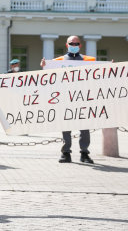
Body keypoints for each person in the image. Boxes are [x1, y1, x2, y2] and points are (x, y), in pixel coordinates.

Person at [41, 35, 96, 164]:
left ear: (80, 46)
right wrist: (44, 66)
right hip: (65, 98)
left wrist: (111, 68)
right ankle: (66, 152)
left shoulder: (89, 60)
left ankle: (84, 153)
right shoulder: (57, 61)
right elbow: (49, 77)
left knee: (84, 126)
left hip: (83, 98)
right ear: (67, 45)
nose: (74, 46)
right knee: (66, 126)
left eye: (77, 44)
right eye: (72, 43)